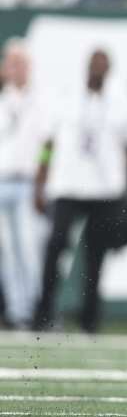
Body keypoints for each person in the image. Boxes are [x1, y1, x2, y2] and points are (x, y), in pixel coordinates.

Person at [31, 48, 127, 333]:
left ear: (109, 69)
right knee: (55, 246)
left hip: (105, 189)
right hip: (67, 184)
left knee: (96, 256)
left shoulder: (123, 99)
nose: (98, 70)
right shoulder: (66, 96)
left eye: (103, 65)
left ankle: (89, 317)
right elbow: (47, 144)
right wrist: (40, 182)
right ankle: (44, 311)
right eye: (95, 64)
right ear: (87, 66)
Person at [0, 39, 45, 328]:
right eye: (12, 63)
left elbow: (49, 143)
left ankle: (35, 307)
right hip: (2, 179)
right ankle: (16, 311)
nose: (17, 69)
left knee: (29, 248)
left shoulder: (41, 100)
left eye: (22, 63)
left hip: (28, 180)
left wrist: (43, 172)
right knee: (4, 250)